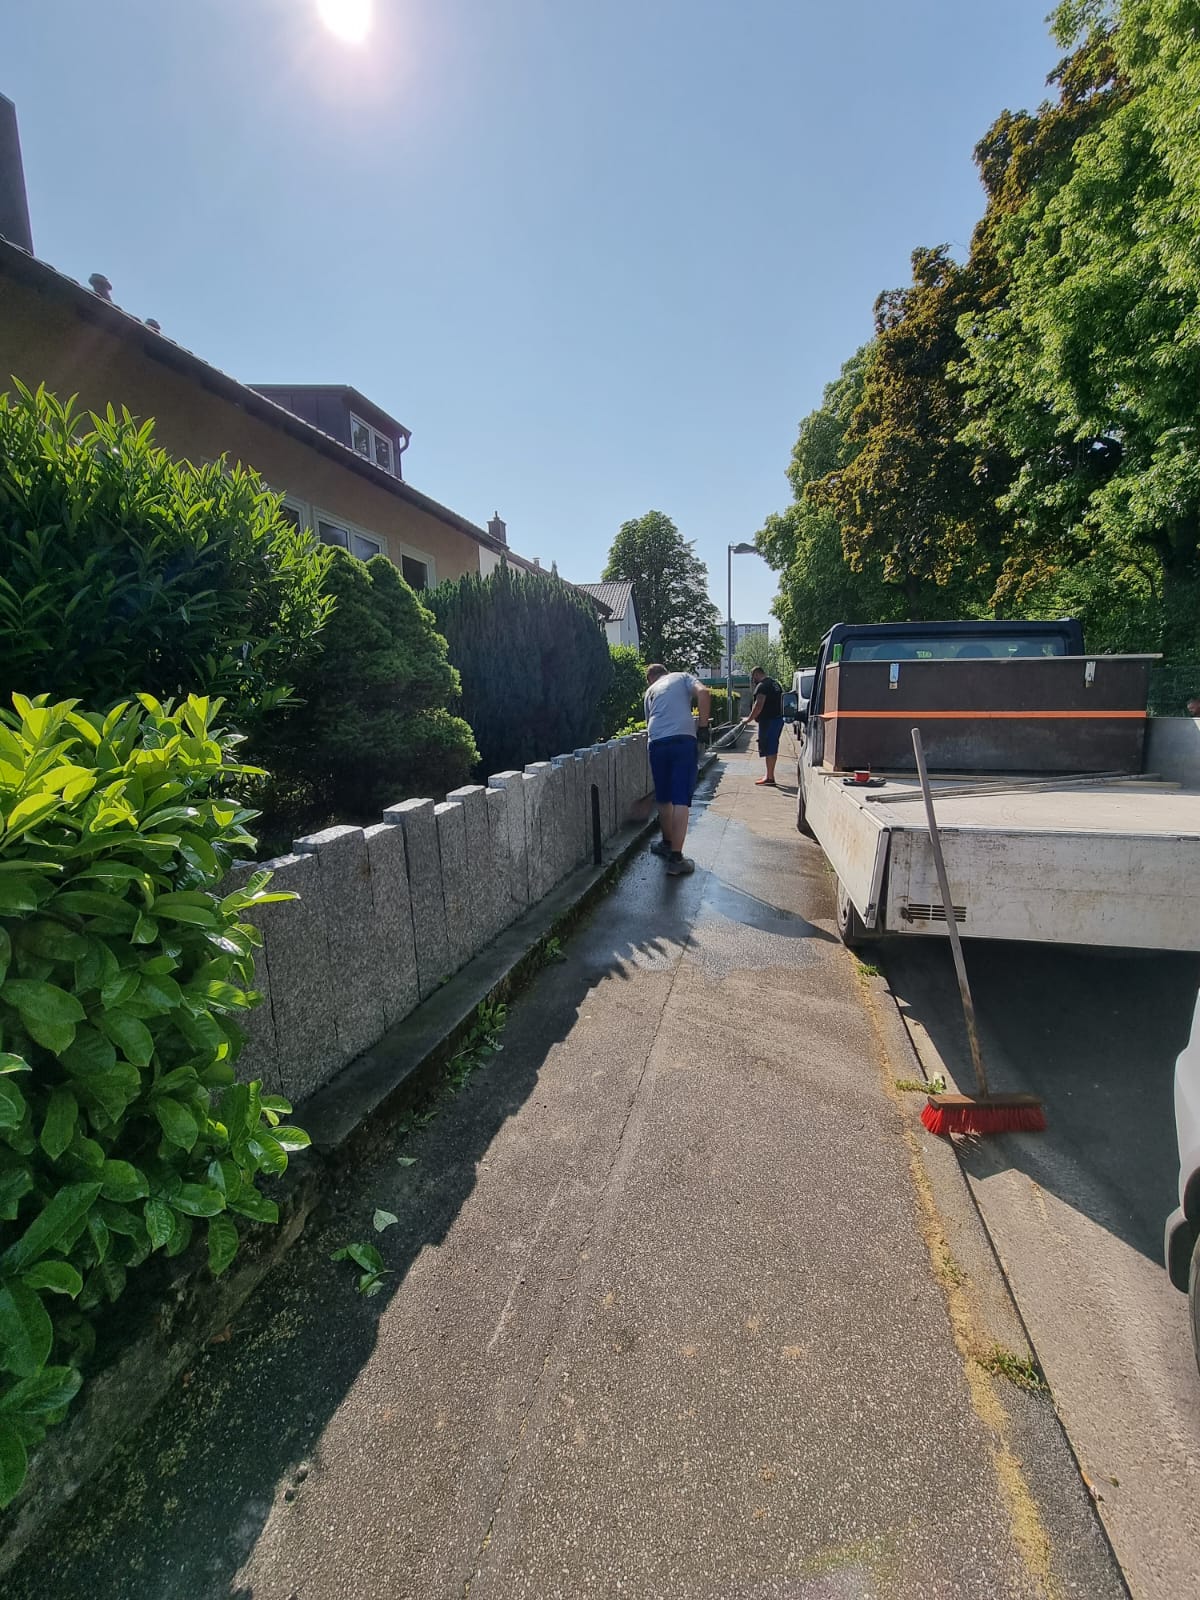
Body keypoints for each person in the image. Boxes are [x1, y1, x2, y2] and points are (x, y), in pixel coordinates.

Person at [644, 663, 710, 876]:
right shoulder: (681, 677)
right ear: (665, 672)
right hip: (682, 741)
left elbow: (649, 723)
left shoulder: (650, 691)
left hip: (657, 743)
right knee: (680, 798)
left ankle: (666, 842)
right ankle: (676, 858)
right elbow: (704, 693)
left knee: (664, 797)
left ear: (651, 678)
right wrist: (703, 727)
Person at [747, 665, 785, 786]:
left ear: (756, 674)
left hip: (769, 721)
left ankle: (770, 777)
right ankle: (769, 775)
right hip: (777, 719)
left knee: (769, 748)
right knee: (772, 747)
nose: (753, 680)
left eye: (753, 677)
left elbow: (758, 705)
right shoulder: (775, 684)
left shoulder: (763, 686)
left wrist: (749, 719)